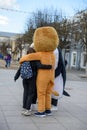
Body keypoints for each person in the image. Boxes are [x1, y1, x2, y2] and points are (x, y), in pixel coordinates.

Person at [14, 47, 52, 116]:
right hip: (32, 79)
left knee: (25, 93)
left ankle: (24, 108)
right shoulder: (34, 60)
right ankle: (28, 109)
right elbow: (40, 66)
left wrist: (16, 77)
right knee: (31, 94)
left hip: (25, 79)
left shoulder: (24, 59)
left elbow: (19, 69)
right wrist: (49, 66)